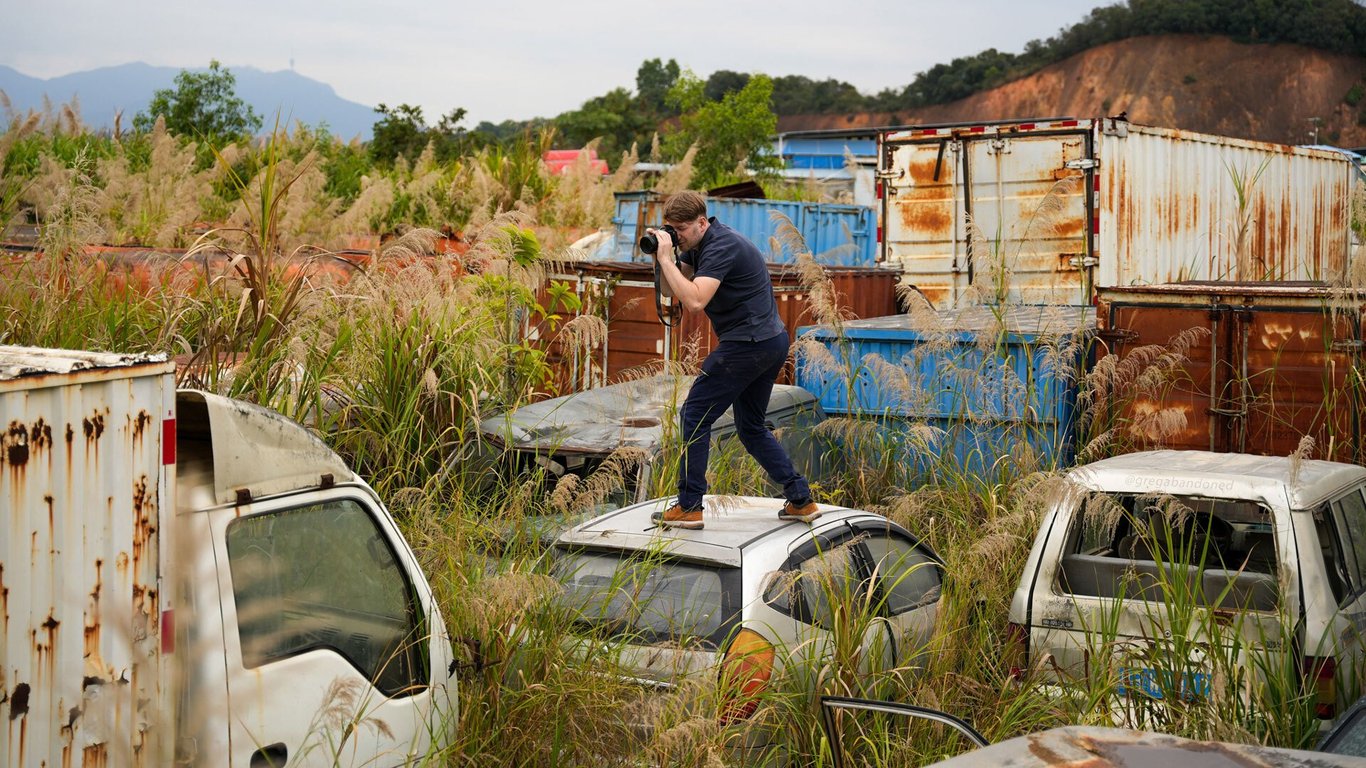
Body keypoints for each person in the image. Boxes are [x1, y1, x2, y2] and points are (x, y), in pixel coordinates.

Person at [645, 191, 820, 530]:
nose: (677, 235)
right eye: (672, 229)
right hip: (768, 341)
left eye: (681, 229)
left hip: (747, 344)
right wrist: (662, 256)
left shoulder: (722, 246)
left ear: (701, 222)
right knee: (751, 428)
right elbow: (670, 291)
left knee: (694, 414)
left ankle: (690, 506)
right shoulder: (698, 246)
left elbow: (694, 301)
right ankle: (801, 499)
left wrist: (668, 259)